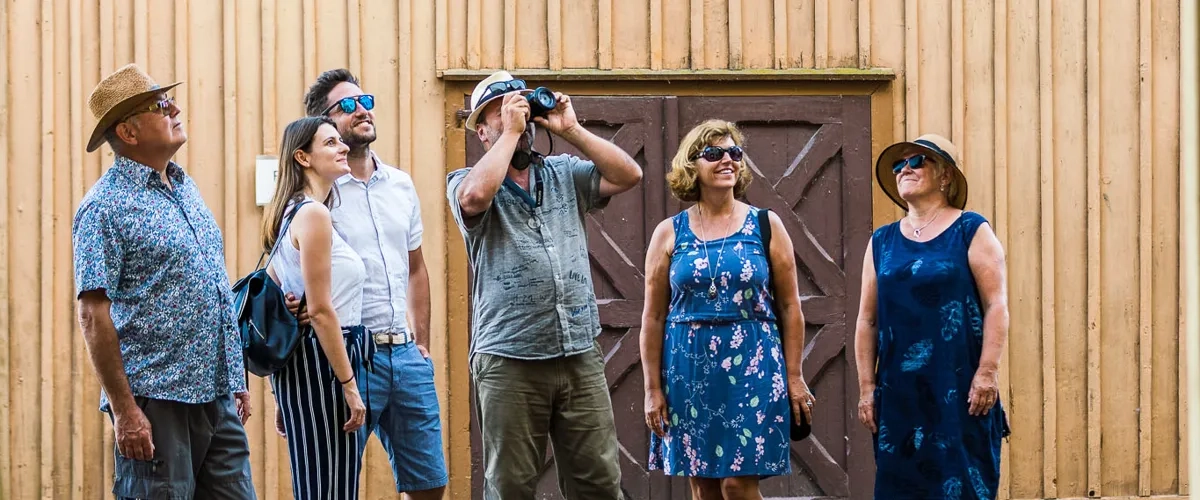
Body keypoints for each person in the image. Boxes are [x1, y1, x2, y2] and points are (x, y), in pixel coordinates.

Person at [446, 70, 643, 499]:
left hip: (577, 352)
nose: (519, 117)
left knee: (600, 483)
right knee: (511, 486)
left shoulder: (562, 173)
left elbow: (629, 175)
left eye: (523, 108)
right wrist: (509, 133)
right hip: (509, 357)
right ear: (482, 131)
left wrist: (571, 129)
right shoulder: (466, 181)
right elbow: (473, 200)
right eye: (503, 112)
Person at [72, 63, 255, 499]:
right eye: (159, 104)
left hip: (216, 398)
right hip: (156, 404)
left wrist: (234, 376)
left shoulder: (183, 187)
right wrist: (124, 411)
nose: (174, 107)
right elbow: (93, 314)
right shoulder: (104, 208)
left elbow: (211, 284)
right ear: (129, 133)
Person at [285, 68, 449, 498]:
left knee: (430, 485)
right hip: (348, 356)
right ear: (325, 123)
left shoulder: (401, 185)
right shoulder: (319, 197)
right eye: (348, 106)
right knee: (334, 486)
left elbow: (416, 268)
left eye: (366, 101)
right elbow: (292, 286)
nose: (362, 111)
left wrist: (422, 344)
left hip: (406, 357)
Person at [640, 119, 816, 499]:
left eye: (734, 153)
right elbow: (653, 317)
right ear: (692, 165)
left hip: (753, 363)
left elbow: (790, 306)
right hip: (688, 368)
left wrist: (795, 376)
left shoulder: (766, 225)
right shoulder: (669, 232)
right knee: (703, 487)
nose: (727, 160)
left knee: (738, 485)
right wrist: (652, 388)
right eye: (714, 153)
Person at [854, 133, 1011, 499]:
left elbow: (996, 305)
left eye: (917, 161)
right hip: (899, 396)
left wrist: (987, 372)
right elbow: (867, 320)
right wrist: (867, 389)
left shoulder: (970, 229)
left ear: (945, 177)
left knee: (963, 486)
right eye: (898, 164)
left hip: (959, 390)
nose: (904, 169)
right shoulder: (882, 241)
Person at [262, 116, 373, 499]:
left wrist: (284, 394)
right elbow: (322, 311)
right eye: (330, 143)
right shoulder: (311, 214)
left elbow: (279, 300)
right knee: (332, 489)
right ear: (302, 157)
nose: (343, 147)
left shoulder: (293, 214)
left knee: (320, 486)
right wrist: (350, 386)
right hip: (324, 362)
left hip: (307, 366)